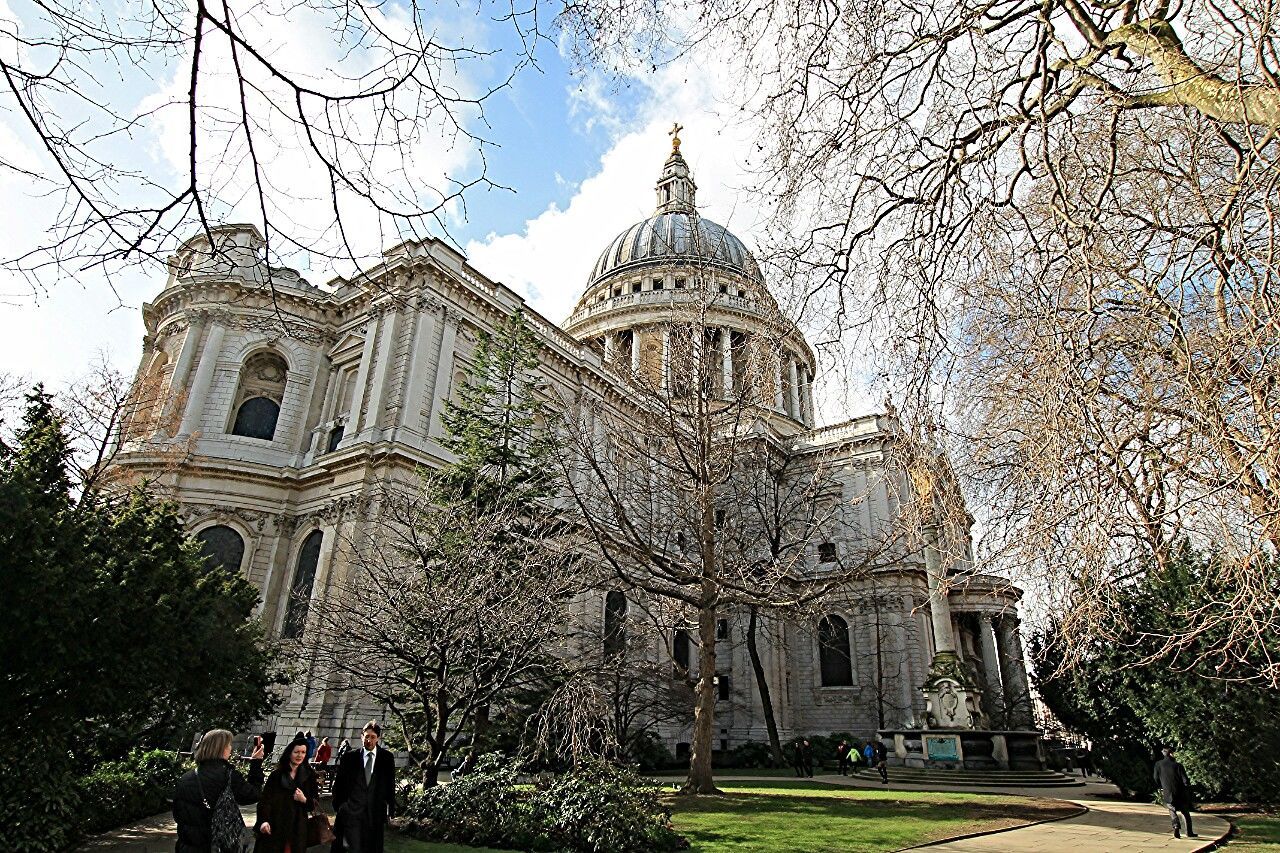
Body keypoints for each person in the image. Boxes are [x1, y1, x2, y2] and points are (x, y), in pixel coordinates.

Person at [173, 728, 265, 853]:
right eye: (228, 745)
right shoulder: (228, 776)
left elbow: (177, 814)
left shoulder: (186, 778)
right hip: (216, 846)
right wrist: (256, 763)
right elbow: (253, 794)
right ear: (221, 748)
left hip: (187, 846)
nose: (230, 749)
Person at [331, 721, 396, 853]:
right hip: (351, 811)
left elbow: (390, 784)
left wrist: (390, 809)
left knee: (370, 847)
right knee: (349, 848)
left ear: (378, 738)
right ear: (361, 737)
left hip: (374, 813)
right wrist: (341, 806)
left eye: (372, 737)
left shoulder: (387, 758)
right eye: (366, 736)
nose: (369, 740)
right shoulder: (349, 757)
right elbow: (339, 784)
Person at [254, 735, 320, 853]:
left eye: (303, 752)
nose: (300, 755)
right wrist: (264, 821)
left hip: (297, 828)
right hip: (275, 825)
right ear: (289, 753)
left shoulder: (309, 775)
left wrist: (304, 799)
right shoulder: (276, 775)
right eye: (296, 752)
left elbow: (314, 804)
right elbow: (265, 801)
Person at [1154, 747, 1197, 839]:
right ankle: (1189, 832)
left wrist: (1161, 786)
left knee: (1172, 809)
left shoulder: (1158, 764)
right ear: (1171, 754)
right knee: (1185, 812)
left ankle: (1176, 825)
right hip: (1180, 792)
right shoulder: (1178, 765)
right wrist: (1188, 788)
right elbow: (1185, 780)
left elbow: (1156, 778)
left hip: (1167, 791)